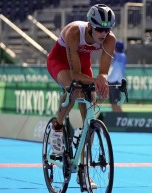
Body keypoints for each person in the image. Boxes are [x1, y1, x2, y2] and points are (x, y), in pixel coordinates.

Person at [46, 4, 116, 156]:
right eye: (99, 29)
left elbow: (103, 73)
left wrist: (102, 79)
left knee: (90, 105)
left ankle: (83, 171)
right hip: (60, 61)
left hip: (84, 64)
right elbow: (76, 74)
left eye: (107, 29)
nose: (104, 33)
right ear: (90, 25)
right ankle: (57, 127)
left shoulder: (110, 39)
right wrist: (95, 80)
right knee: (75, 89)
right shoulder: (75, 32)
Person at [108, 41, 127, 112]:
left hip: (116, 82)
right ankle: (116, 118)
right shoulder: (121, 56)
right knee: (113, 103)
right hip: (114, 81)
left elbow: (111, 52)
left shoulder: (121, 55)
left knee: (116, 103)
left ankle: (120, 118)